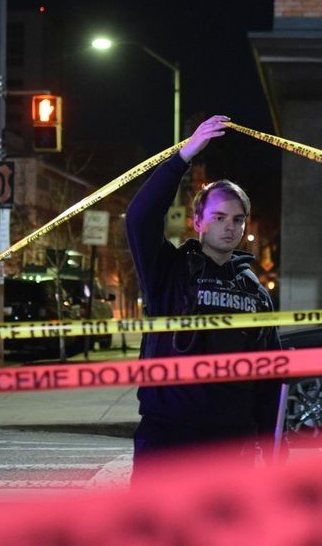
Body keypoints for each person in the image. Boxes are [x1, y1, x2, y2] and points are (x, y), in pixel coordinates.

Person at [125, 115, 282, 479]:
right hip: (169, 441)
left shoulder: (254, 292)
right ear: (198, 221)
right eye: (219, 217)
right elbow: (139, 220)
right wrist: (183, 157)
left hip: (231, 447)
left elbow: (269, 374)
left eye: (238, 220)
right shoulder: (168, 269)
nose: (230, 226)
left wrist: (275, 445)